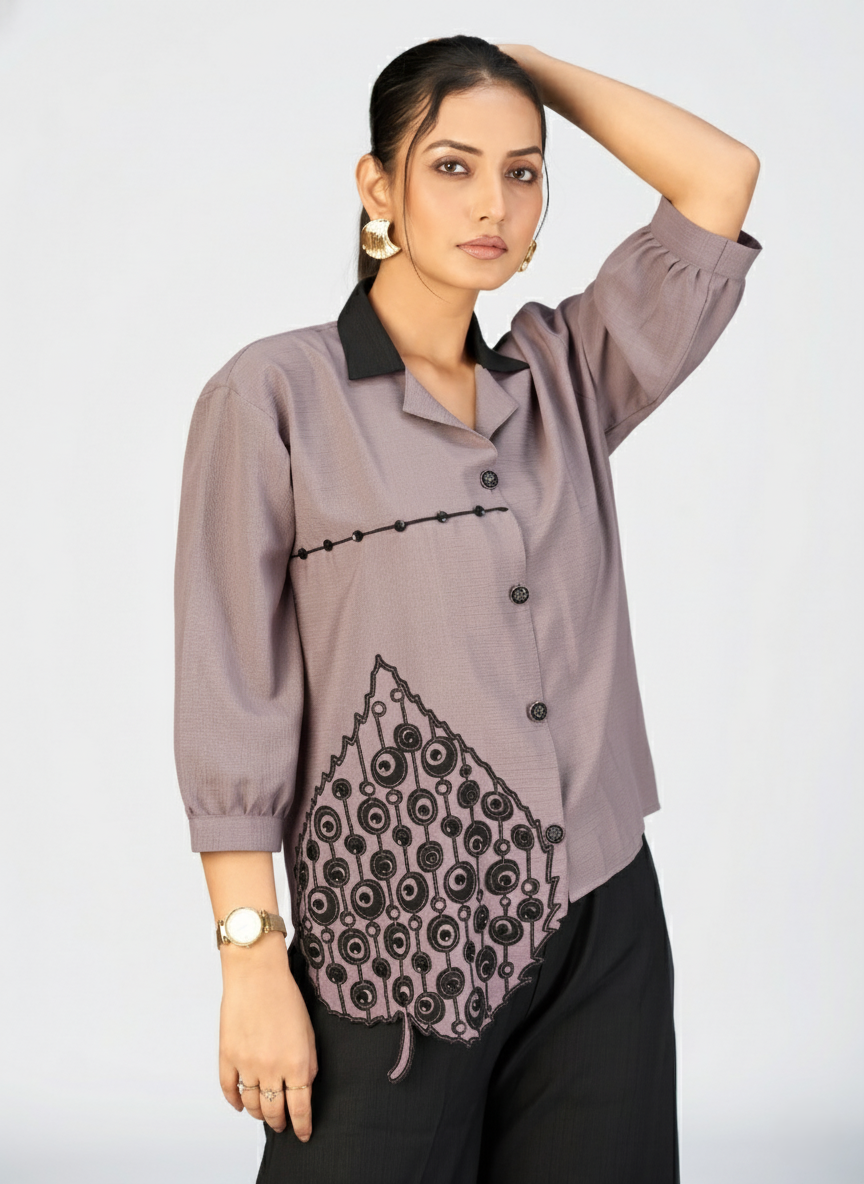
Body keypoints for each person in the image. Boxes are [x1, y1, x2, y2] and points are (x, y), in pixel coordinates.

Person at [173, 34, 762, 1184]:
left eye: (522, 172)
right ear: (377, 186)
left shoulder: (564, 375)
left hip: (601, 923)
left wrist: (527, 71)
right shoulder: (274, 396)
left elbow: (720, 178)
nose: (493, 202)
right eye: (452, 166)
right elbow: (232, 685)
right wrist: (251, 959)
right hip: (392, 937)